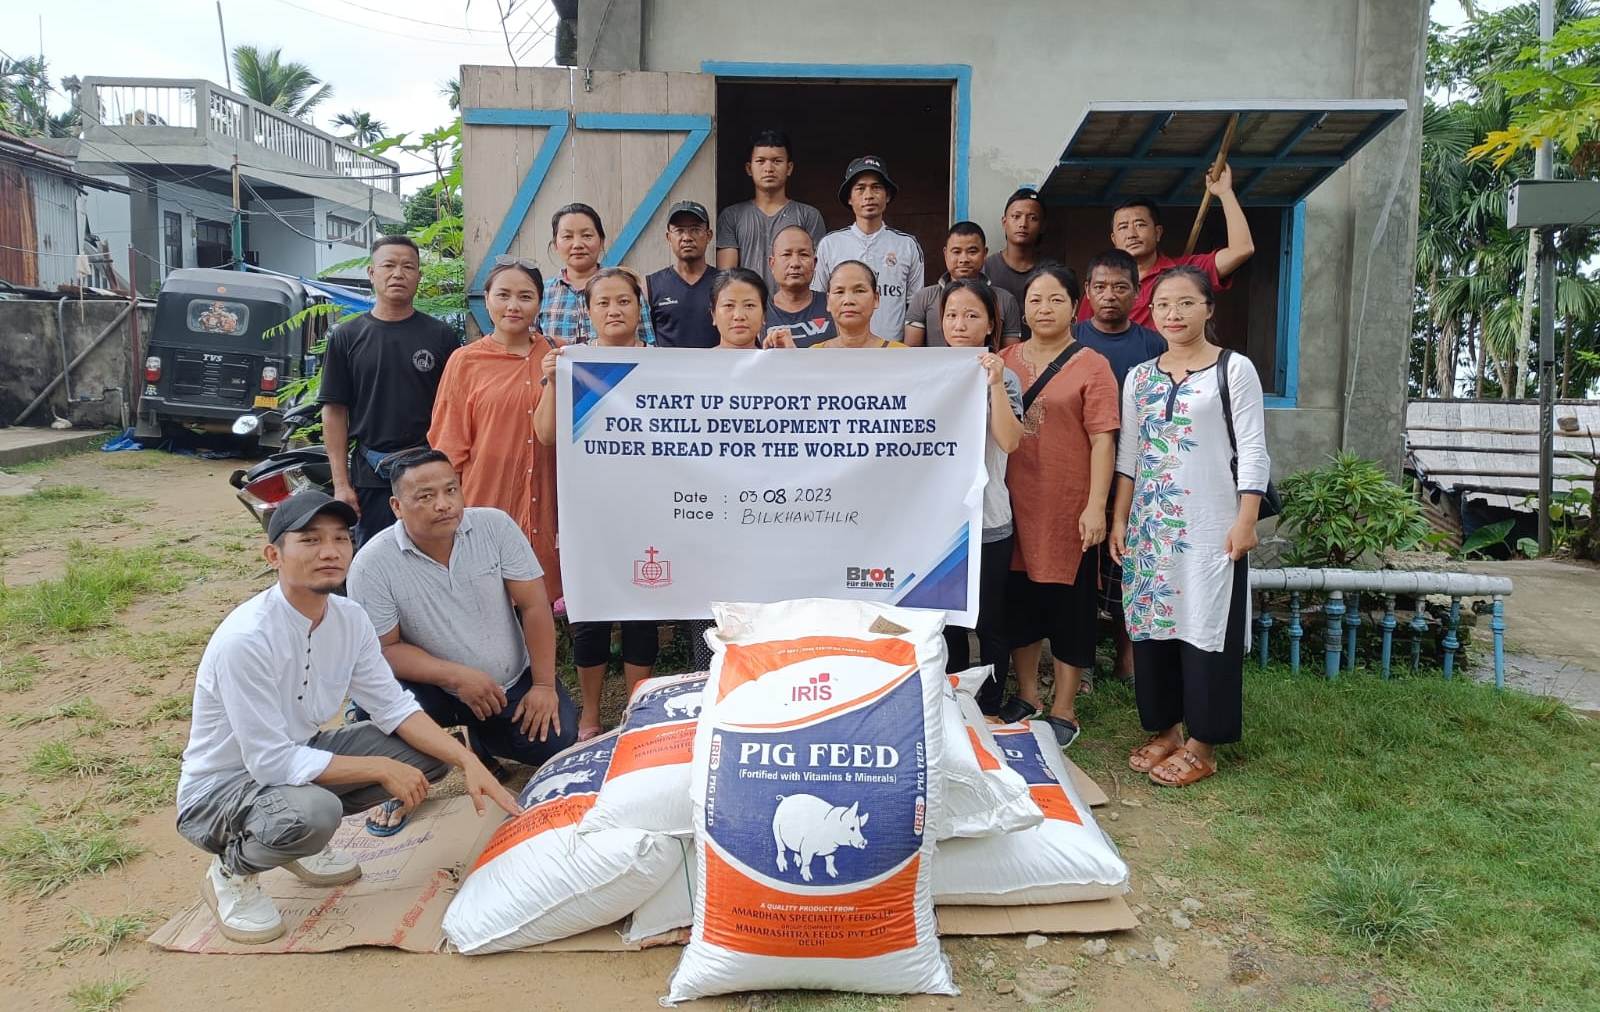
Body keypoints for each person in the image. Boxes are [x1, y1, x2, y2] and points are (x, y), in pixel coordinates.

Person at [175, 489, 518, 944]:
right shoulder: (247, 639)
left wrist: (467, 761)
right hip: (219, 791)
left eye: (340, 538)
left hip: (294, 758)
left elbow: (393, 707)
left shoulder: (349, 618)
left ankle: (300, 845)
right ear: (273, 555)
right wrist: (379, 767)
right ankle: (232, 872)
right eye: (311, 540)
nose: (330, 551)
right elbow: (269, 762)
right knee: (316, 813)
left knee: (426, 757)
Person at [1110, 266, 1268, 788]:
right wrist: (1120, 520)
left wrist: (1247, 518)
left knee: (1206, 628)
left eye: (1184, 304)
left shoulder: (1233, 370)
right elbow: (1128, 455)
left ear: (1208, 309)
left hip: (1211, 527)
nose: (1172, 315)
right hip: (1152, 527)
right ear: (1149, 314)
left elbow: (1252, 450)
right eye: (1162, 306)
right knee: (1154, 625)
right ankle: (1166, 730)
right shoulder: (1139, 377)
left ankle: (1204, 742)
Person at [346, 450, 577, 776]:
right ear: (397, 507)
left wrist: (542, 686)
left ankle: (480, 740)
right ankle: (401, 781)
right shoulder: (371, 565)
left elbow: (534, 606)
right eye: (426, 496)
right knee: (378, 707)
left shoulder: (495, 527)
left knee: (557, 739)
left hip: (508, 681)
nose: (444, 504)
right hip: (434, 688)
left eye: (451, 490)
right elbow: (384, 649)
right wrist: (456, 676)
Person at [535, 268, 659, 739]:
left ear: (638, 307)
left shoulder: (666, 363)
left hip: (649, 506)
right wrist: (551, 382)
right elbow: (545, 434)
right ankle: (589, 715)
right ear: (588, 311)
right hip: (590, 509)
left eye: (623, 301)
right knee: (591, 611)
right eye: (603, 302)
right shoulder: (572, 362)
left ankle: (635, 711)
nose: (614, 310)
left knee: (642, 611)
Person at [999, 266, 1120, 747]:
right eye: (1034, 300)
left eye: (1054, 300)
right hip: (1012, 505)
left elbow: (1104, 441)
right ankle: (1027, 695)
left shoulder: (1093, 365)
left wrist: (1097, 507)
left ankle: (1064, 708)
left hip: (1069, 507)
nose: (1043, 309)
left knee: (1069, 609)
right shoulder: (1003, 360)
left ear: (1075, 306)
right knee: (1019, 604)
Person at [428, 258, 563, 600]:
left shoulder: (559, 355)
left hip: (547, 503)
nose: (513, 306)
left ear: (540, 302)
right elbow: (448, 444)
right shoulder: (465, 361)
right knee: (485, 606)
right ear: (486, 299)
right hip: (486, 499)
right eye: (503, 295)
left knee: (538, 610)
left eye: (525, 296)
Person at [318, 235, 460, 547]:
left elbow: (456, 410)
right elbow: (334, 411)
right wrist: (342, 484)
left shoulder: (441, 336)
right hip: (372, 474)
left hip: (429, 473)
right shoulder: (347, 336)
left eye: (408, 267)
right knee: (376, 556)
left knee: (435, 551)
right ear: (372, 273)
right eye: (389, 265)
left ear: (419, 277)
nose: (398, 273)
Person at [1072, 248, 1168, 684]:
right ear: (1087, 292)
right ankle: (1081, 659)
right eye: (1100, 287)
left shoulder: (1155, 345)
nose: (1109, 296)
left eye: (1120, 287)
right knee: (1080, 569)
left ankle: (1128, 659)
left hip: (1139, 471)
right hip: (1080, 470)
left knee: (1127, 565)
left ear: (1137, 293)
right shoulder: (1072, 340)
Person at [938, 278, 1023, 714]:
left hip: (989, 521)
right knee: (946, 621)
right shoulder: (927, 373)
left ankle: (988, 705)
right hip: (939, 524)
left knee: (990, 621)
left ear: (992, 323)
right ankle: (951, 702)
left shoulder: (1003, 377)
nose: (960, 324)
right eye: (952, 314)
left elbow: (1010, 441)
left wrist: (994, 383)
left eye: (972, 315)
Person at [1082, 164, 1255, 328]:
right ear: (1114, 238)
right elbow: (1082, 335)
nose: (1132, 234)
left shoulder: (1186, 271)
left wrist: (1225, 193)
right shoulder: (1102, 286)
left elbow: (1242, 249)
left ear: (1158, 232)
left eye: (1140, 224)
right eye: (1123, 227)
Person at [813, 156, 924, 339]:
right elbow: (818, 300)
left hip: (891, 352)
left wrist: (907, 355)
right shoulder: (830, 244)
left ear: (887, 195)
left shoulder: (907, 245)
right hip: (841, 352)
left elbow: (915, 309)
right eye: (860, 188)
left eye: (876, 187)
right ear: (849, 198)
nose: (869, 195)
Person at [715, 129, 827, 290]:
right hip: (748, 310)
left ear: (789, 168)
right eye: (761, 161)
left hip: (796, 311)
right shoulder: (732, 216)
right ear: (749, 168)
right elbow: (727, 278)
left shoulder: (808, 216)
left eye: (777, 161)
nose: (769, 168)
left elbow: (817, 274)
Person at [539, 203, 656, 345]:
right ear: (555, 245)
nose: (577, 244)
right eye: (567, 236)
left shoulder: (625, 287)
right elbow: (531, 348)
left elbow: (648, 347)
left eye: (587, 235)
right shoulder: (542, 293)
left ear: (601, 241)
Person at [904, 222, 1023, 347]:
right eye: (956, 252)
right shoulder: (924, 298)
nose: (964, 259)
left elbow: (1010, 354)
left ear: (984, 253)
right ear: (945, 254)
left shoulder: (1004, 299)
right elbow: (912, 354)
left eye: (972, 252)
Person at [771, 260, 907, 349]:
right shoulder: (814, 354)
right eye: (839, 291)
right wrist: (789, 358)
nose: (848, 300)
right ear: (828, 301)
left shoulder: (900, 355)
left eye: (859, 291)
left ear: (876, 299)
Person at [647, 200, 719, 349]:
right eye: (679, 230)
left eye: (695, 229)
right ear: (668, 237)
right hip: (668, 371)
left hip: (715, 369)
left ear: (709, 235)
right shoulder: (651, 285)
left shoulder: (725, 283)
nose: (687, 237)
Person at [763, 225, 835, 348]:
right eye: (786, 254)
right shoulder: (759, 311)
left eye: (803, 255)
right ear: (772, 264)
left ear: (815, 263)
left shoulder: (833, 306)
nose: (795, 263)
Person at [983, 187, 1046, 318]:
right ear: (1004, 222)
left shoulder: (1051, 272)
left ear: (1042, 226)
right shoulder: (985, 269)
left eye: (1032, 218)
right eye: (1016, 217)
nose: (1023, 224)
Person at [711, 266, 768, 350]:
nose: (739, 316)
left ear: (764, 315)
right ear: (714, 315)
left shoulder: (776, 362)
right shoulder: (698, 362)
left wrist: (789, 354)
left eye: (749, 305)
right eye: (729, 305)